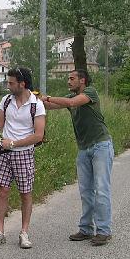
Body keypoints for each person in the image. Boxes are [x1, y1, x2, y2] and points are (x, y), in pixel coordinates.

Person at [40, 69, 114, 246]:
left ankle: (104, 231)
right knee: (85, 191)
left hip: (100, 146)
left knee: (101, 189)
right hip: (84, 148)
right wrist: (36, 99)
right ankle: (86, 229)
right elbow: (52, 105)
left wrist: (47, 97)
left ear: (82, 81)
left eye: (72, 78)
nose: (68, 81)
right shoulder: (69, 98)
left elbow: (71, 102)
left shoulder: (90, 93)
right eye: (68, 78)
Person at [0, 67, 46, 249]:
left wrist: (14, 143)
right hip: (4, 154)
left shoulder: (36, 104)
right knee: (2, 191)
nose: (8, 86)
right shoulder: (6, 101)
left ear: (22, 84)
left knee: (25, 194)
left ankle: (24, 233)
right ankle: (0, 232)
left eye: (11, 83)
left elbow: (38, 136)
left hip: (23, 154)